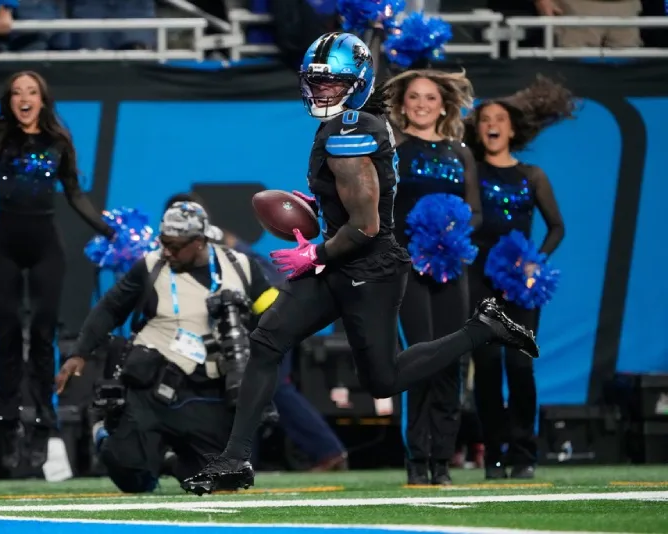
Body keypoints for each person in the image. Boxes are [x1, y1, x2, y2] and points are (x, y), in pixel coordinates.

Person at [180, 31, 539, 496]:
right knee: (266, 342)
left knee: (383, 380)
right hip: (341, 262)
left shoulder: (350, 130)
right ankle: (235, 460)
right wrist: (323, 203)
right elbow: (357, 201)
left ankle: (483, 329)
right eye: (316, 82)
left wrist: (314, 252)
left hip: (369, 268)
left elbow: (366, 225)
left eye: (333, 83)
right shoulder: (349, 123)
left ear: (359, 82)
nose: (322, 91)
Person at [0, 38, 116, 473]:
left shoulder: (59, 141)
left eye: (32, 92)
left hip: (45, 247)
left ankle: (42, 428)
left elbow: (76, 196)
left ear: (43, 100)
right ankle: (8, 432)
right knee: (7, 335)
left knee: (42, 337)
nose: (24, 99)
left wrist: (110, 230)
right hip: (4, 245)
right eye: (17, 92)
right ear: (9, 101)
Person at [54, 202, 281, 493]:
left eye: (175, 246)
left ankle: (173, 462)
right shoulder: (151, 266)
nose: (167, 252)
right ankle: (111, 437)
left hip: (208, 391)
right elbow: (111, 308)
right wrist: (79, 352)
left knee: (219, 482)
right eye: (164, 243)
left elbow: (272, 316)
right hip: (152, 387)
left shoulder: (241, 267)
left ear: (199, 242)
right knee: (130, 475)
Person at [163, 193, 349, 471]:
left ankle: (329, 452)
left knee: (273, 388)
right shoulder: (204, 244)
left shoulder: (215, 244)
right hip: (267, 318)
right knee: (252, 391)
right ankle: (248, 460)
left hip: (274, 318)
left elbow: (265, 285)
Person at [463, 75, 572, 480]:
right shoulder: (470, 171)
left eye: (500, 119)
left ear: (512, 129)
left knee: (520, 366)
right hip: (479, 280)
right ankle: (494, 454)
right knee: (487, 366)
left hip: (520, 285)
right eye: (485, 119)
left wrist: (535, 261)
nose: (492, 125)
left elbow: (557, 227)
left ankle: (524, 453)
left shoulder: (532, 175)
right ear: (478, 130)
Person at [382, 68, 481, 486]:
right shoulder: (392, 149)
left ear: (444, 106)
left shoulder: (461, 153)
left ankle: (442, 461)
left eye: (430, 98)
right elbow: (383, 209)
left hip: (450, 268)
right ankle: (416, 461)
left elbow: (475, 212)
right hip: (408, 267)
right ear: (403, 105)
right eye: (414, 97)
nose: (422, 104)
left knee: (452, 360)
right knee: (418, 358)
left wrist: (451, 233)